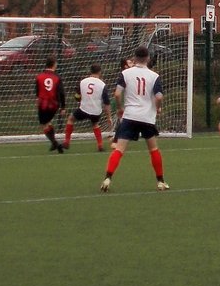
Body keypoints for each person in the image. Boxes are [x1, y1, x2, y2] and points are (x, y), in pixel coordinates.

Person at [100, 46, 168, 193]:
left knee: (119, 149)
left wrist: (119, 108)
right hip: (146, 117)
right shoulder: (154, 76)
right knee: (154, 150)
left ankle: (107, 178)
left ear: (135, 58)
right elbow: (159, 96)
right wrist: (158, 107)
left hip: (130, 116)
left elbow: (117, 94)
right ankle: (161, 182)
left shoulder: (125, 73)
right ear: (148, 58)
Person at [64, 64, 113, 152]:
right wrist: (109, 117)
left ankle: (67, 141)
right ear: (100, 72)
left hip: (84, 109)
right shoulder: (102, 85)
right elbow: (106, 103)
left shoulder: (83, 81)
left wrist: (79, 99)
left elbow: (77, 96)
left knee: (71, 119)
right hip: (96, 111)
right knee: (95, 124)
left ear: (90, 71)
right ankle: (100, 145)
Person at [36, 57, 66, 153]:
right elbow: (61, 93)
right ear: (54, 64)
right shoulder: (57, 77)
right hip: (54, 104)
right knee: (48, 123)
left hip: (43, 104)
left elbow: (37, 92)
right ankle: (54, 143)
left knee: (44, 125)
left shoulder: (39, 77)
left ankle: (55, 144)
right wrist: (63, 107)